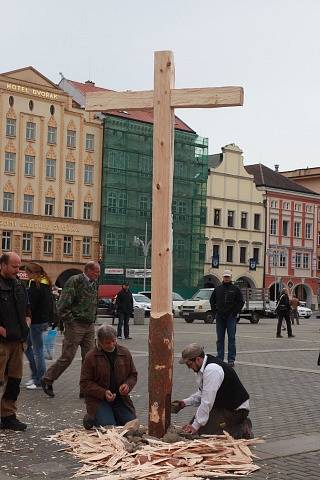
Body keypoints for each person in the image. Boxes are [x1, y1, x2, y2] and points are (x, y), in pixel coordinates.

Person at [41, 261, 100, 397]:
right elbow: (62, 305)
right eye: (96, 271)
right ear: (89, 270)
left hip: (89, 325)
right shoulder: (75, 281)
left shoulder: (94, 284)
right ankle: (47, 379)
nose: (98, 274)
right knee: (67, 357)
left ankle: (85, 389)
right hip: (76, 325)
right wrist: (71, 321)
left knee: (89, 358)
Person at [173, 343, 253, 438]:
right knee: (196, 428)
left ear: (198, 359)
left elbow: (207, 401)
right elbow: (202, 393)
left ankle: (242, 428)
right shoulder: (201, 367)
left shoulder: (212, 370)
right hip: (222, 407)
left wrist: (195, 426)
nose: (188, 367)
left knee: (204, 435)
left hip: (236, 410)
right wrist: (185, 403)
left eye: (189, 364)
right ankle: (231, 425)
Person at [80, 325, 137, 429]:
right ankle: (91, 418)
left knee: (131, 425)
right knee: (109, 427)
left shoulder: (124, 353)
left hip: (120, 398)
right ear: (100, 342)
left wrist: (127, 385)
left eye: (113, 341)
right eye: (107, 342)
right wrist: (103, 392)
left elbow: (133, 374)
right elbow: (84, 383)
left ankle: (113, 414)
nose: (111, 345)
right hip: (98, 400)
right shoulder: (91, 356)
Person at [0, 252, 31, 431]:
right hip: (2, 341)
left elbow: (27, 308)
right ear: (3, 265)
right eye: (14, 266)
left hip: (18, 341)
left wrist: (28, 320)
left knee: (14, 381)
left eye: (19, 266)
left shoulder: (19, 285)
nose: (17, 270)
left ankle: (8, 416)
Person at [24, 263, 54, 389]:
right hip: (43, 321)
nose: (26, 275)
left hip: (35, 322)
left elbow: (30, 305)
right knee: (27, 346)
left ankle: (39, 379)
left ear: (32, 272)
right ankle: (35, 376)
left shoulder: (34, 284)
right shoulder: (46, 283)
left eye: (27, 272)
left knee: (37, 351)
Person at [210, 270, 244, 367]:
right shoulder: (218, 289)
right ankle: (220, 358)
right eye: (225, 277)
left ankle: (231, 359)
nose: (226, 278)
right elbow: (212, 300)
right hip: (220, 317)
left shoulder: (235, 289)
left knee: (231, 338)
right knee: (220, 339)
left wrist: (234, 312)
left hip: (231, 317)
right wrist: (215, 311)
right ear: (223, 277)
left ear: (231, 277)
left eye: (228, 277)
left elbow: (241, 302)